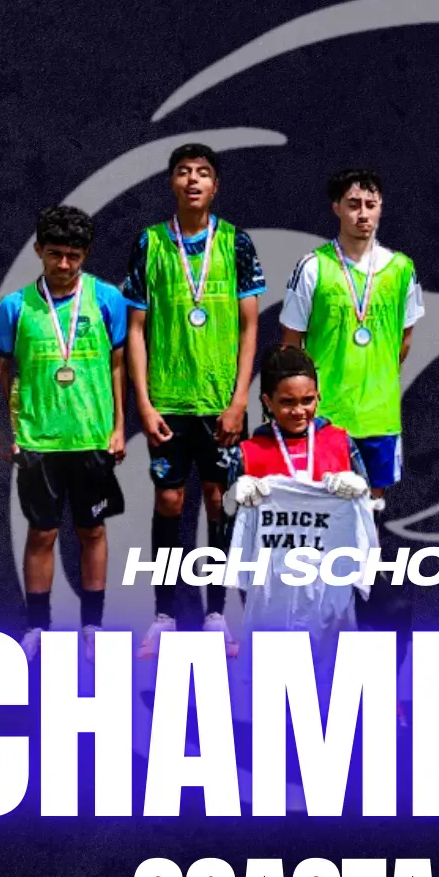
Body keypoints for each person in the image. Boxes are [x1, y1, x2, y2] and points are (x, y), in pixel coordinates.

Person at [124, 142, 264, 658]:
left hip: (221, 403)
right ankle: (162, 614)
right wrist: (143, 403)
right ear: (172, 183)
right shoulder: (150, 243)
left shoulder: (236, 243)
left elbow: (251, 326)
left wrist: (239, 398)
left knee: (219, 503)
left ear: (215, 185)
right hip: (168, 402)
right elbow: (135, 330)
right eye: (183, 172)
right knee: (169, 502)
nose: (193, 180)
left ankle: (215, 613)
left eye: (203, 172)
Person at [0, 206, 128, 667]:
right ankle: (37, 626)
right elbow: (2, 372)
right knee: (42, 534)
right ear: (38, 252)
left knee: (93, 530)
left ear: (85, 254)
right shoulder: (14, 307)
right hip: (39, 441)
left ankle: (92, 625)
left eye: (73, 256)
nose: (64, 265)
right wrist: (10, 433)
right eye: (55, 255)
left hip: (91, 438)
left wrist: (118, 427)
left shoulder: (107, 299)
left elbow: (117, 365)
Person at [224, 345, 375, 711]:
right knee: (276, 678)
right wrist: (236, 493)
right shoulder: (249, 450)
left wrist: (360, 491)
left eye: (308, 400)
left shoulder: (340, 442)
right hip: (273, 580)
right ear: (268, 401)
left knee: (331, 672)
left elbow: (365, 506)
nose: (299, 410)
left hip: (329, 579)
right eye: (288, 402)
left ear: (319, 396)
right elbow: (229, 513)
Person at [280, 168, 423, 497]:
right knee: (324, 515)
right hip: (325, 417)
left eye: (370, 204)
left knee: (370, 513)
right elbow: (291, 348)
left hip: (379, 416)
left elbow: (404, 341)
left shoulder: (401, 268)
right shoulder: (313, 266)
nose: (363, 214)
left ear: (381, 206)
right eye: (353, 204)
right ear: (337, 208)